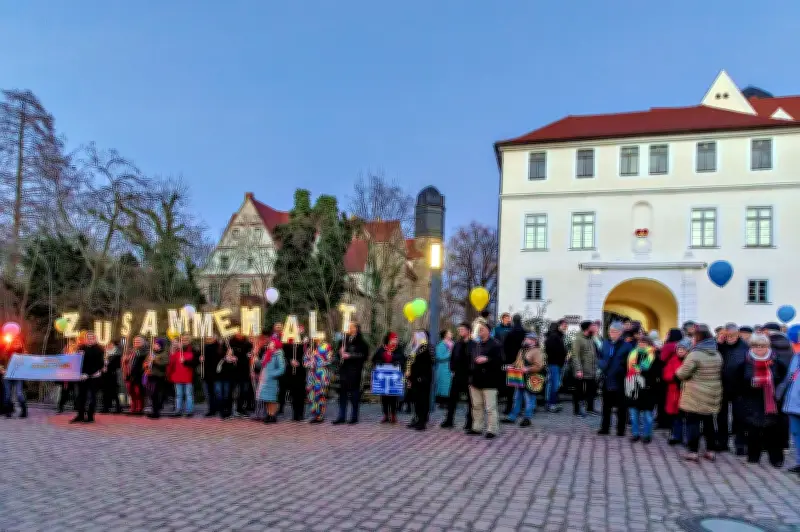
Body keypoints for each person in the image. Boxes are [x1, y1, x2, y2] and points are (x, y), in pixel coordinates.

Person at [734, 334, 787, 467]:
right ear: (751, 347)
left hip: (772, 401)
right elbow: (737, 383)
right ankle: (753, 456)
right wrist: (750, 385)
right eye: (755, 346)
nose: (759, 349)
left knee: (774, 431)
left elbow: (784, 379)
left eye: (762, 346)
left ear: (767, 347)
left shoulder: (776, 361)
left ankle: (776, 458)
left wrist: (775, 388)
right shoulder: (744, 362)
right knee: (753, 430)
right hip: (751, 400)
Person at [676, 324, 723, 462]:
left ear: (698, 338)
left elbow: (682, 373)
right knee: (709, 423)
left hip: (695, 394)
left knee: (693, 423)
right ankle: (710, 450)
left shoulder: (695, 354)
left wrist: (678, 372)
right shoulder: (716, 353)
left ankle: (693, 451)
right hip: (713, 392)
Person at [468, 319, 504, 439]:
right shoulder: (476, 344)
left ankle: (492, 429)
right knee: (476, 406)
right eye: (478, 329)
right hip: (475, 380)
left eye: (482, 329)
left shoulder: (496, 344)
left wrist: (487, 359)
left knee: (490, 407)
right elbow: (470, 359)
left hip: (490, 380)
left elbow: (501, 361)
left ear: (488, 330)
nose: (479, 332)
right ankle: (477, 427)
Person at [597, 322, 633, 437]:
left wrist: (623, 369)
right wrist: (602, 365)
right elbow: (600, 356)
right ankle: (605, 428)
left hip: (620, 380)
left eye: (614, 331)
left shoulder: (627, 346)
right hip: (607, 378)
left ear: (621, 333)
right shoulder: (605, 343)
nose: (611, 333)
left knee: (621, 407)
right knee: (606, 406)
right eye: (610, 331)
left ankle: (620, 429)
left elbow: (631, 362)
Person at [718, 322, 749, 454]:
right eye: (727, 335)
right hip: (722, 387)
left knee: (740, 417)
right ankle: (722, 442)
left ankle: (740, 444)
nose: (730, 338)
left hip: (739, 388)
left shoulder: (745, 348)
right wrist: (719, 342)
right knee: (721, 417)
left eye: (733, 335)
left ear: (738, 334)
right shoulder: (720, 347)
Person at [502, 333, 545, 427]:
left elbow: (539, 366)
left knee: (529, 400)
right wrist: (510, 366)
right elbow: (517, 362)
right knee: (516, 398)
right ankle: (512, 417)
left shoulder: (537, 351)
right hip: (520, 379)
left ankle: (527, 419)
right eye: (525, 338)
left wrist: (528, 369)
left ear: (534, 341)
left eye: (527, 338)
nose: (525, 340)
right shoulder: (522, 350)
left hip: (531, 379)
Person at [625, 336, 660, 443]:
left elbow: (656, 373)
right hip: (633, 387)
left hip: (648, 389)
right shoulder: (632, 354)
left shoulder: (654, 356)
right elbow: (626, 368)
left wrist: (642, 371)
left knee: (647, 415)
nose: (641, 345)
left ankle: (647, 435)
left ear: (649, 344)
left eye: (644, 343)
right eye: (640, 343)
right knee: (633, 414)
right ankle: (635, 434)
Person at [333, 322, 368, 425]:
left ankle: (354, 416)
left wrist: (350, 355)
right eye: (349, 327)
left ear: (357, 329)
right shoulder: (343, 341)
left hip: (355, 371)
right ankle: (341, 416)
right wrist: (340, 353)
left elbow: (364, 356)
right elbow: (337, 356)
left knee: (354, 394)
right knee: (342, 394)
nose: (350, 329)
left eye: (352, 327)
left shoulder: (361, 342)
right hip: (344, 370)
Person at [441, 322, 473, 431]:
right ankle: (449, 420)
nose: (460, 331)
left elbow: (473, 360)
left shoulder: (473, 344)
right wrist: (452, 369)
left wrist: (471, 373)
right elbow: (452, 357)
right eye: (459, 330)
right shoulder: (457, 344)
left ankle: (470, 422)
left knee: (470, 401)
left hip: (468, 375)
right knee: (452, 398)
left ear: (468, 331)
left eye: (462, 329)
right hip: (457, 375)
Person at [71, 332, 105, 423]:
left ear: (95, 339)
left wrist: (87, 374)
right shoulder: (81, 348)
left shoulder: (99, 349)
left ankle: (90, 416)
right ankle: (80, 415)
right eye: (88, 337)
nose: (89, 339)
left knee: (92, 397)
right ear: (85, 339)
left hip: (94, 377)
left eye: (91, 338)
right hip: (82, 377)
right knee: (81, 397)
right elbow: (77, 361)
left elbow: (99, 364)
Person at [664, 338, 692, 445]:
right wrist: (674, 377)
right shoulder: (673, 360)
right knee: (676, 416)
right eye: (679, 348)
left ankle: (688, 438)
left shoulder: (690, 361)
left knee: (688, 417)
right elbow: (666, 374)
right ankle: (676, 435)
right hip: (674, 392)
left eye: (683, 349)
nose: (680, 351)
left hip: (687, 392)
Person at [372, 332, 404, 424]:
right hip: (383, 377)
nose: (395, 341)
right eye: (393, 339)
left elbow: (403, 359)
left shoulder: (399, 349)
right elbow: (374, 358)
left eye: (396, 339)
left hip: (394, 377)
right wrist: (380, 361)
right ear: (389, 339)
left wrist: (396, 360)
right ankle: (386, 415)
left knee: (394, 396)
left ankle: (393, 414)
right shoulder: (382, 348)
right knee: (384, 397)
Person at [778, 342, 800, 474]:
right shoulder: (796, 357)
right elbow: (789, 378)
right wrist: (779, 393)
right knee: (796, 434)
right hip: (793, 403)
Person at [406, 331, 433, 431]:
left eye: (415, 337)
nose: (413, 338)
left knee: (422, 400)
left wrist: (421, 377)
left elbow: (426, 366)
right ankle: (417, 419)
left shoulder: (425, 349)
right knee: (416, 400)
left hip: (422, 379)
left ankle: (422, 422)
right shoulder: (415, 349)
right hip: (414, 379)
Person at [656, 328, 683, 430]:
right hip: (677, 374)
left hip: (666, 373)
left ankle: (663, 422)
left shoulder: (669, 345)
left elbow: (662, 358)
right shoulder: (681, 345)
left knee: (663, 400)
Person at [499, 314, 525, 415]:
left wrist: (505, 361)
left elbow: (505, 348)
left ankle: (509, 408)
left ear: (513, 321)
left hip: (511, 362)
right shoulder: (524, 332)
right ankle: (520, 407)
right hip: (522, 362)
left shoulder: (510, 333)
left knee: (511, 386)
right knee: (521, 386)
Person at [255, 338, 286, 423]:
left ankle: (273, 416)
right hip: (264, 379)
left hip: (272, 380)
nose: (269, 344)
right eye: (270, 343)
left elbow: (282, 368)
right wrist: (257, 361)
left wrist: (272, 374)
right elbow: (263, 364)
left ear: (275, 344)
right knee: (266, 398)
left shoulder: (278, 354)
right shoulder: (267, 353)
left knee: (272, 399)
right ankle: (269, 414)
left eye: (272, 343)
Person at [572, 321, 599, 417]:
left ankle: (590, 409)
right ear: (587, 328)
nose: (595, 327)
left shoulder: (591, 339)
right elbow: (576, 355)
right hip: (581, 371)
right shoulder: (578, 339)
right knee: (578, 392)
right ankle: (577, 410)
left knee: (591, 391)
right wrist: (579, 370)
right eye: (592, 326)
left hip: (591, 371)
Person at [167, 335, 195, 417]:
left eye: (185, 340)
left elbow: (193, 363)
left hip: (188, 376)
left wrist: (185, 361)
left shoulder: (191, 351)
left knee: (188, 394)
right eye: (182, 341)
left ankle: (189, 410)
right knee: (179, 395)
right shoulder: (176, 353)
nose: (183, 342)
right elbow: (171, 364)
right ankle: (178, 410)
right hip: (177, 376)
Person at [228, 328, 253, 417]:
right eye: (238, 331)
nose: (239, 333)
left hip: (244, 371)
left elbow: (250, 355)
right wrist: (229, 356)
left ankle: (241, 408)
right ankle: (229, 410)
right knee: (231, 391)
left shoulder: (248, 343)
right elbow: (226, 355)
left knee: (244, 391)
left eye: (241, 331)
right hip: (232, 371)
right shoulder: (229, 342)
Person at [544, 320, 568, 413]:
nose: (565, 327)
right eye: (564, 325)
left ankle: (549, 403)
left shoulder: (554, 336)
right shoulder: (554, 337)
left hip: (554, 363)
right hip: (555, 364)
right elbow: (556, 350)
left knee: (551, 384)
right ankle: (552, 405)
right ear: (557, 326)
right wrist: (564, 354)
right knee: (555, 385)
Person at [283, 333, 308, 421]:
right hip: (291, 372)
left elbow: (307, 356)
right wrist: (290, 361)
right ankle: (295, 414)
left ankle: (300, 414)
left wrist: (300, 362)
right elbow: (285, 355)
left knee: (300, 394)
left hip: (301, 372)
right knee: (293, 394)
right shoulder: (287, 344)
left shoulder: (303, 344)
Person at [305, 341, 332, 423]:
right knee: (311, 395)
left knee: (320, 394)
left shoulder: (326, 346)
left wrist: (318, 363)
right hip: (311, 375)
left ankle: (321, 415)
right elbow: (305, 361)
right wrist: (310, 364)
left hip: (321, 374)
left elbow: (329, 360)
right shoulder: (310, 347)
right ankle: (315, 414)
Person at [145, 338, 170, 419]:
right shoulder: (151, 353)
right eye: (154, 344)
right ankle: (154, 410)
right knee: (151, 394)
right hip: (150, 375)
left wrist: (154, 360)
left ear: (160, 346)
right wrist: (145, 365)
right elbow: (146, 363)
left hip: (159, 376)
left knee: (156, 394)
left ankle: (156, 412)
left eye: (156, 345)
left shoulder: (164, 354)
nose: (154, 346)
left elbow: (164, 364)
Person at [1, 337, 26, 418]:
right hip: (7, 377)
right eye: (14, 342)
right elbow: (1, 362)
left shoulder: (24, 353)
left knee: (19, 394)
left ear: (20, 344)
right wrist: (2, 370)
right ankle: (8, 412)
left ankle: (24, 411)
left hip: (18, 376)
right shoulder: (6, 352)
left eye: (18, 342)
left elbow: (28, 365)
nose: (16, 344)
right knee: (7, 395)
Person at [124, 336, 148, 415]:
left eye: (138, 341)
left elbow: (145, 363)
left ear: (143, 342)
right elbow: (127, 363)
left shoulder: (144, 351)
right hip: (130, 374)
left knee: (138, 392)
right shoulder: (132, 352)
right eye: (135, 342)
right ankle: (133, 408)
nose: (136, 343)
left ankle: (139, 409)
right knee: (131, 392)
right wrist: (125, 360)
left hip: (139, 375)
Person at [216, 341, 238, 419]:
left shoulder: (234, 359)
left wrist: (233, 362)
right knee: (222, 395)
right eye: (229, 350)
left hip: (230, 380)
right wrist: (226, 361)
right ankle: (223, 412)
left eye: (231, 350)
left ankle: (229, 411)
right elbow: (219, 370)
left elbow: (235, 370)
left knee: (228, 396)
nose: (230, 351)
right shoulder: (222, 359)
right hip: (221, 380)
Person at [201, 336, 222, 417]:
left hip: (217, 374)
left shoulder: (219, 347)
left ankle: (219, 409)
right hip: (207, 374)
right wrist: (200, 359)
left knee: (217, 392)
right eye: (209, 336)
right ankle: (211, 409)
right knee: (209, 394)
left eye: (212, 336)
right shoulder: (204, 347)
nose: (210, 338)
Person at [101, 340, 123, 414]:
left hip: (112, 375)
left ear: (114, 346)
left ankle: (118, 407)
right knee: (105, 392)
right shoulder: (104, 354)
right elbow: (101, 363)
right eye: (108, 344)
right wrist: (103, 367)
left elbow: (117, 365)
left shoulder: (117, 354)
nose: (109, 346)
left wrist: (108, 365)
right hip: (104, 376)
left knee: (114, 392)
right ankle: (106, 407)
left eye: (111, 345)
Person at [434, 330, 453, 407]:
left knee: (448, 385)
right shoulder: (441, 345)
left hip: (449, 368)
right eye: (449, 333)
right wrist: (450, 353)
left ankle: (447, 401)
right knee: (443, 385)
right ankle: (442, 402)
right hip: (443, 368)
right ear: (445, 335)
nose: (451, 334)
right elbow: (439, 357)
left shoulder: (452, 343)